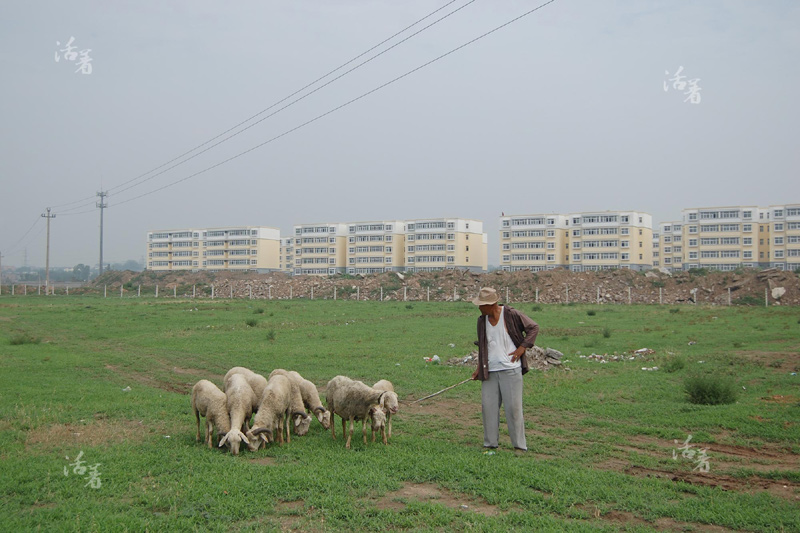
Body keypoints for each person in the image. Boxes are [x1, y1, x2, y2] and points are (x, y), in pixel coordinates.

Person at [471, 287, 539, 452]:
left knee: (514, 409)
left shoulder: (511, 314)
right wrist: (479, 367)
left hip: (511, 370)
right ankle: (490, 444)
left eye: (482, 305)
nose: (479, 307)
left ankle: (519, 446)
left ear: (491, 304)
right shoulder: (482, 321)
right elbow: (482, 346)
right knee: (488, 408)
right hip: (490, 371)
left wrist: (522, 348)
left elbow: (533, 328)